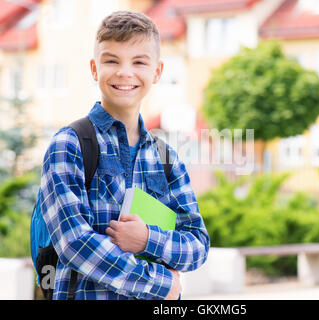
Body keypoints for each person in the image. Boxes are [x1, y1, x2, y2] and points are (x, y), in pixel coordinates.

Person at [39, 10, 210, 300]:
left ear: (157, 72)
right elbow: (75, 243)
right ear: (94, 69)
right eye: (112, 60)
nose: (125, 72)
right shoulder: (69, 145)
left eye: (139, 62)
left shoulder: (167, 158)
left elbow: (197, 245)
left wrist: (147, 239)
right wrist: (159, 283)